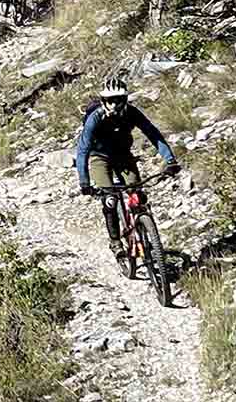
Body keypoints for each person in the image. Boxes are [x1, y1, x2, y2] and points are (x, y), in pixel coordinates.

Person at [76, 76, 181, 263]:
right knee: (110, 199)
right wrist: (84, 182)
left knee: (137, 193)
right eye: (110, 100)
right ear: (103, 101)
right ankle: (116, 242)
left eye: (118, 99)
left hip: (123, 155)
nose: (114, 104)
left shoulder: (132, 113)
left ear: (125, 99)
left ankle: (145, 231)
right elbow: (83, 149)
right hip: (99, 157)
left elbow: (153, 134)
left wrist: (170, 160)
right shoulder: (95, 118)